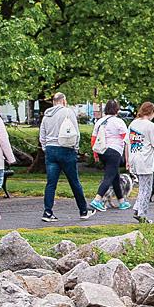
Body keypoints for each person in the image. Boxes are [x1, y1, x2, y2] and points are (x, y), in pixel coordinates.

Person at [39, 91, 92, 222]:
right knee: (74, 182)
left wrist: (46, 148)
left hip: (51, 150)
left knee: (51, 183)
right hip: (66, 149)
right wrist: (76, 148)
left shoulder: (46, 115)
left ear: (53, 102)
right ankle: (83, 210)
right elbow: (76, 133)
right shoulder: (68, 112)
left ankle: (47, 212)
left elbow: (42, 135)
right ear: (64, 101)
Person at [90, 100, 131, 211]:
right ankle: (97, 200)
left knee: (115, 176)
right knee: (109, 177)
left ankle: (121, 201)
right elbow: (126, 139)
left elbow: (93, 139)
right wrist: (128, 159)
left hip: (102, 151)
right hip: (114, 151)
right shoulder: (119, 122)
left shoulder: (100, 121)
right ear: (117, 110)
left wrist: (95, 154)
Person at [127, 102, 154, 223]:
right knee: (147, 188)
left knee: (142, 187)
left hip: (134, 158)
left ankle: (137, 208)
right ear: (151, 112)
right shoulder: (151, 126)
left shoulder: (133, 124)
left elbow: (127, 143)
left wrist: (127, 160)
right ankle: (142, 214)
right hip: (145, 160)